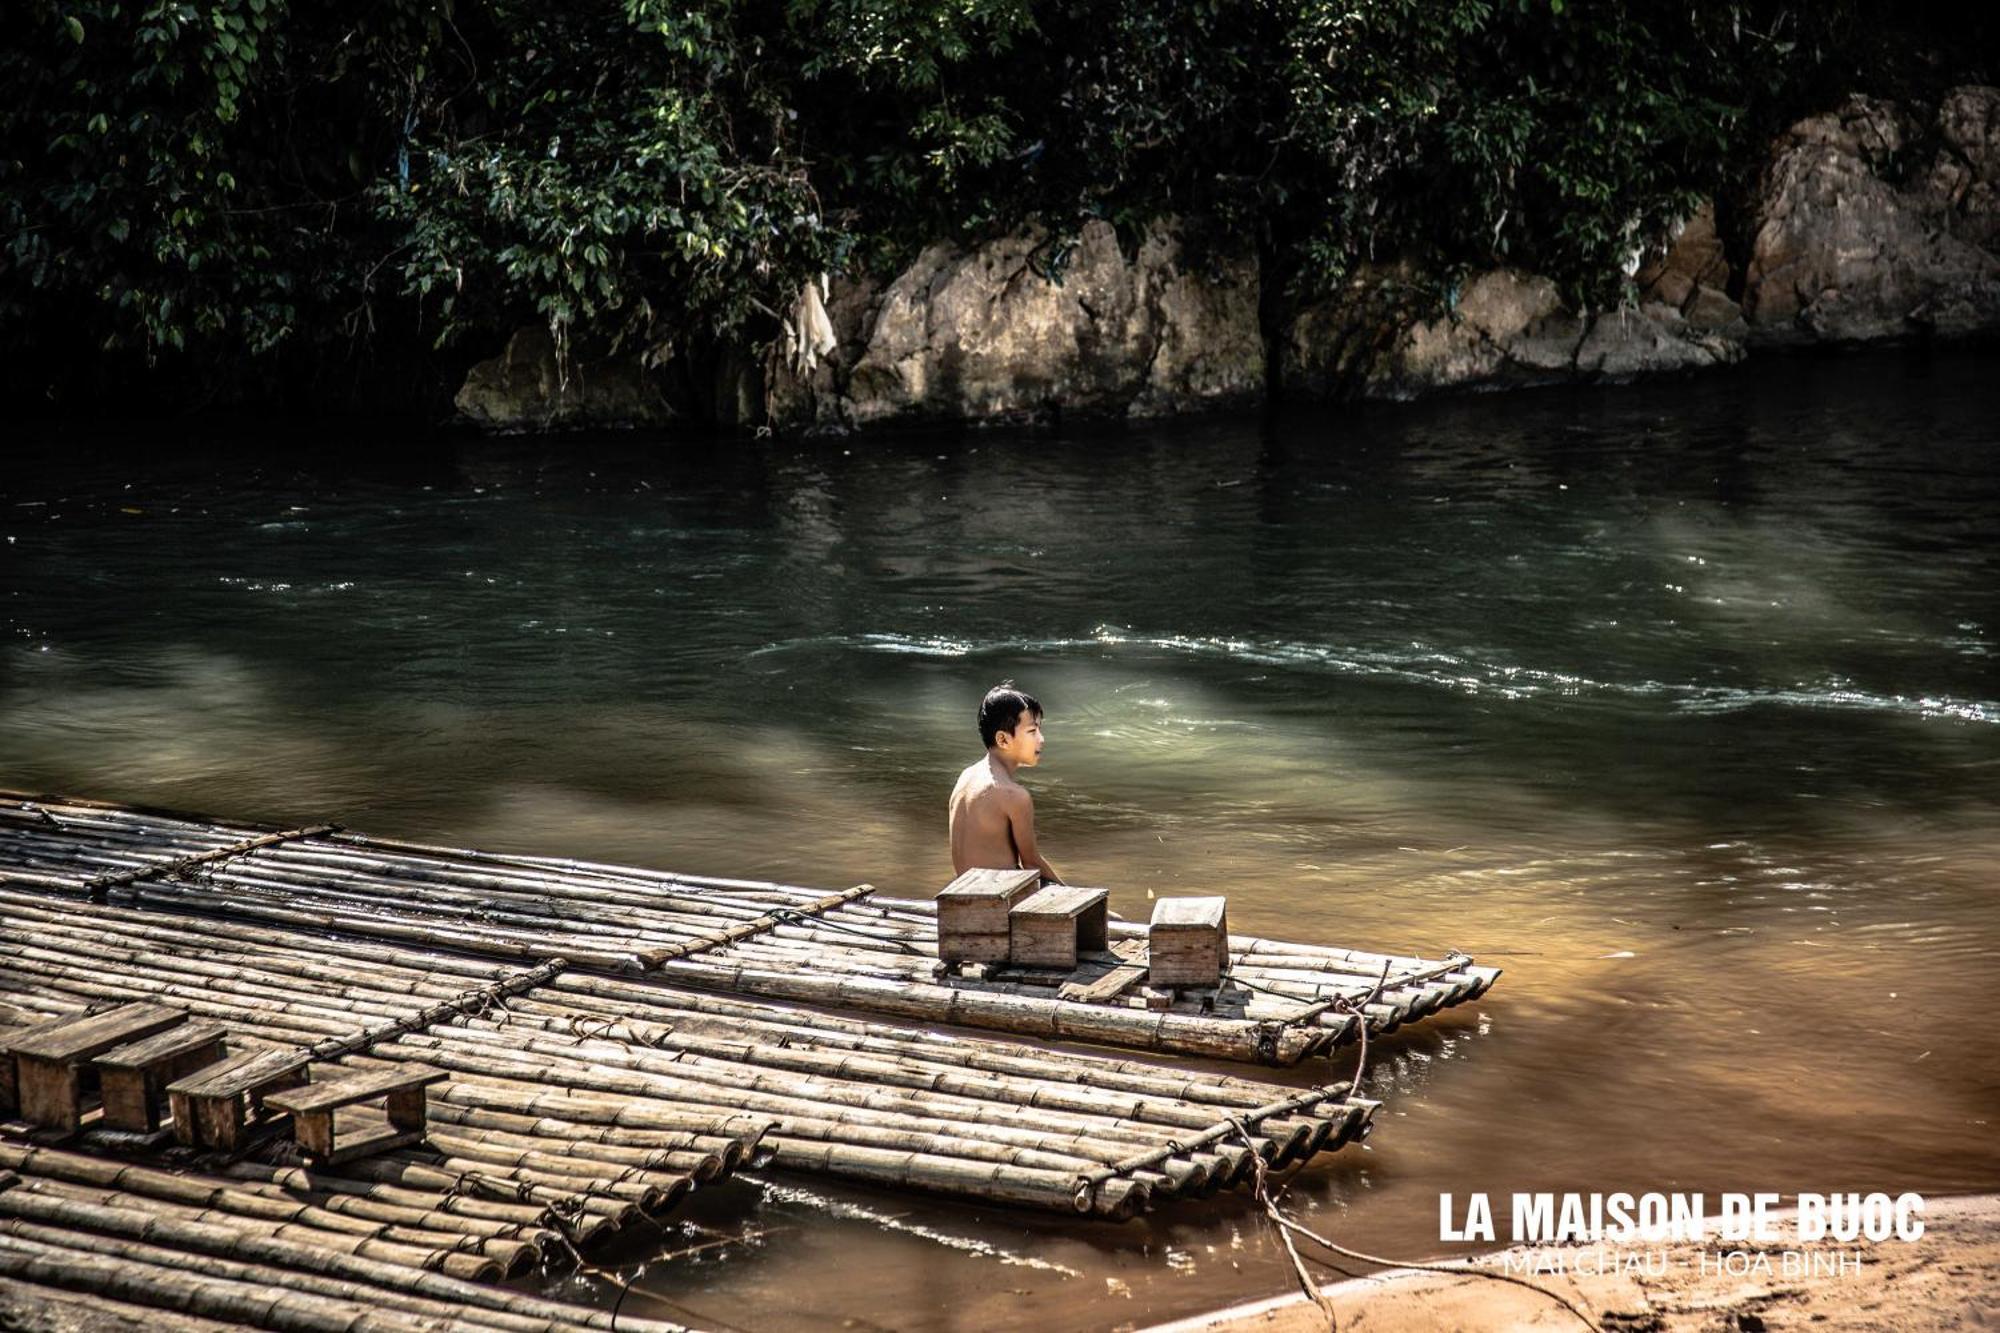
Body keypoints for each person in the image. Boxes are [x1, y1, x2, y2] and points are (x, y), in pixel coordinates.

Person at [948, 683, 1064, 884]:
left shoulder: (966, 777)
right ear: (1003, 739)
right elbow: (1031, 864)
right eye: (1032, 731)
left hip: (965, 895)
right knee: (1111, 916)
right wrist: (1071, 892)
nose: (1041, 739)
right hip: (998, 902)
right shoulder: (1013, 795)